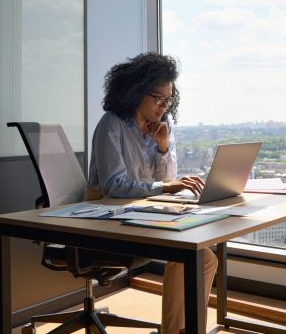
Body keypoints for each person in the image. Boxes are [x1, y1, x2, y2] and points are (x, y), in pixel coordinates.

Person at [85, 52, 217, 334]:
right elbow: (113, 186)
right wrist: (164, 186)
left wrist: (163, 146)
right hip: (107, 220)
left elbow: (165, 177)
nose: (163, 106)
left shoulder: (161, 126)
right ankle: (175, 331)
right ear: (135, 92)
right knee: (193, 256)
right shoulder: (112, 125)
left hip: (141, 214)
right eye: (157, 98)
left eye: (168, 100)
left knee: (205, 258)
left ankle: (185, 329)